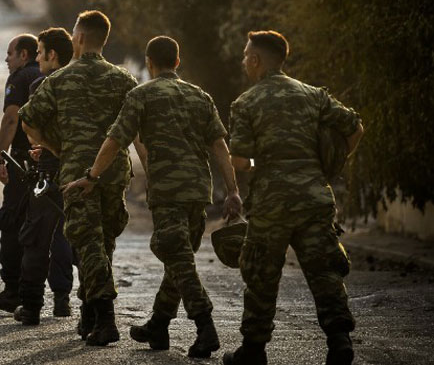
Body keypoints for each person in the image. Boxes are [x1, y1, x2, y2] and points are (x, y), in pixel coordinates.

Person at [63, 36, 242, 357]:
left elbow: (116, 139)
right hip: (198, 190)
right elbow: (219, 145)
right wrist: (232, 191)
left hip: (168, 191)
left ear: (149, 62)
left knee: (179, 258)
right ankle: (158, 324)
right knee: (179, 257)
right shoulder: (199, 95)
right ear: (177, 62)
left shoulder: (141, 95)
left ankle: (205, 326)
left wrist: (91, 176)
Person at [223, 31, 363, 365]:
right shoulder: (313, 95)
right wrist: (328, 167)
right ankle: (339, 341)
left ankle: (253, 351)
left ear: (255, 60)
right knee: (325, 271)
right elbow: (355, 128)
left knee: (261, 274)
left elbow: (239, 161)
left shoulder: (246, 103)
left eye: (245, 56)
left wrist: (258, 165)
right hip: (314, 197)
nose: (243, 61)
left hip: (271, 202)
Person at [19, 10, 139, 346]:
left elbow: (28, 121)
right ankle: (89, 315)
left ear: (81, 37)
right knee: (102, 245)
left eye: (73, 34)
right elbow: (136, 129)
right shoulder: (124, 79)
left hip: (77, 172)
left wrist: (56, 147)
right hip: (115, 171)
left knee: (88, 244)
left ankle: (106, 319)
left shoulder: (60, 80)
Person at [12, 27, 75, 325]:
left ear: (52, 54)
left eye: (39, 52)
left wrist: (47, 148)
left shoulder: (41, 84)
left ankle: (31, 307)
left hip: (50, 171)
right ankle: (68, 301)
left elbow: (30, 126)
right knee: (72, 235)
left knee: (37, 238)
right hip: (81, 170)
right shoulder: (81, 82)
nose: (37, 59)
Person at [0, 34, 43, 313]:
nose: (6, 59)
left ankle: (13, 290)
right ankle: (60, 296)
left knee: (11, 220)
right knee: (44, 225)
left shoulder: (19, 79)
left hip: (22, 162)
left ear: (24, 54)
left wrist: (0, 158)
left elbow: (11, 119)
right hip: (48, 160)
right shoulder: (49, 75)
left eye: (10, 53)